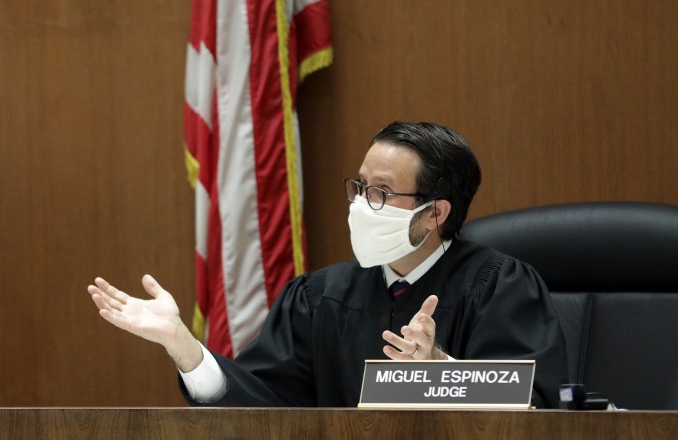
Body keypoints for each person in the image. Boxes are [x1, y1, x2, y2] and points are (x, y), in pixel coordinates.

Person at [88, 121, 568, 408]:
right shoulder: (318, 298)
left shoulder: (499, 286)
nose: (360, 205)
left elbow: (538, 412)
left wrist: (440, 372)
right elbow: (264, 409)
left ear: (435, 213)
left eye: (380, 193)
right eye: (359, 187)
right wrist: (186, 349)